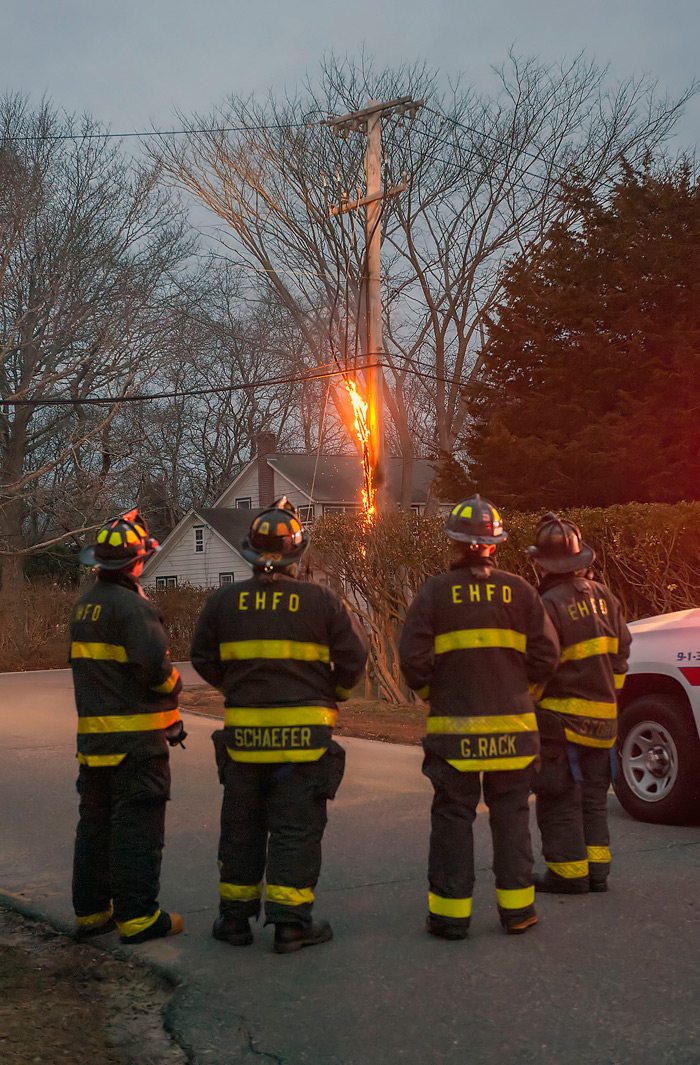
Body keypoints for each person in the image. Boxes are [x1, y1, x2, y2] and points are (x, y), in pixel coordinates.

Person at [191, 497, 368, 954]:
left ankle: (234, 920)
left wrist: (238, 687)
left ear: (249, 550)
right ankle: (291, 925)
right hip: (304, 745)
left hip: (245, 742)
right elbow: (353, 657)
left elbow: (202, 658)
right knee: (296, 829)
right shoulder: (322, 600)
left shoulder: (223, 601)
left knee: (242, 828)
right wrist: (334, 696)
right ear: (298, 553)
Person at [399, 495, 560, 939]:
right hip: (515, 733)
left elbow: (412, 661)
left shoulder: (434, 593)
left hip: (454, 735)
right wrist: (521, 694)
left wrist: (438, 694)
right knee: (511, 815)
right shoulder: (522, 592)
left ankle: (451, 917)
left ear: (453, 542)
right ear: (495, 545)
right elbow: (547, 655)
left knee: (454, 816)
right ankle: (518, 912)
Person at [70, 509, 186, 944]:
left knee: (95, 826)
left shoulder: (86, 605)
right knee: (137, 826)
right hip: (136, 745)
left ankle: (92, 912)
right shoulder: (133, 608)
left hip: (94, 743)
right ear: (135, 563)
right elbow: (155, 671)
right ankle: (138, 916)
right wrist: (176, 685)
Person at [527, 513, 631, 893]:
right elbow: (621, 655)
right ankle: (598, 873)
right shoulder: (607, 597)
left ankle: (568, 875)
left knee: (558, 799)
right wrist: (608, 695)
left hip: (561, 723)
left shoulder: (547, 605)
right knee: (593, 799)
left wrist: (530, 705)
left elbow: (540, 664)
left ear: (542, 562)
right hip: (605, 721)